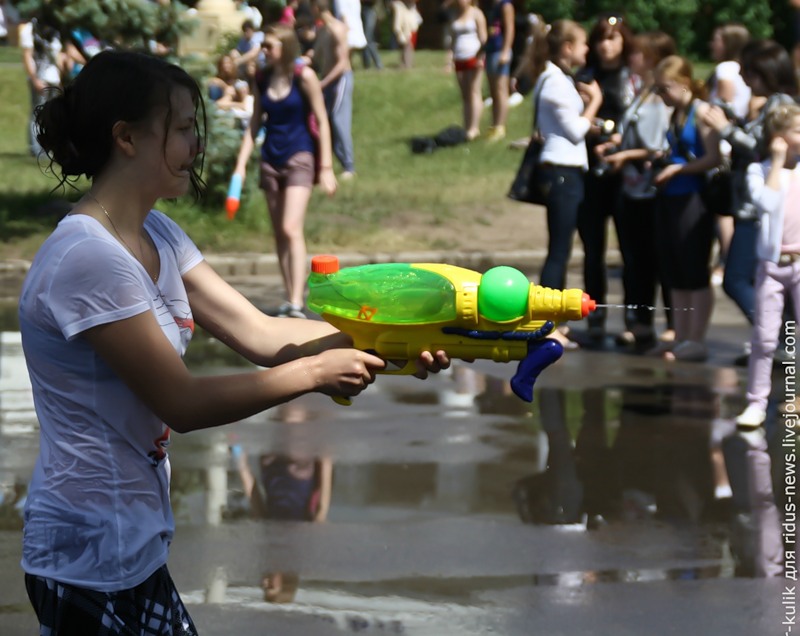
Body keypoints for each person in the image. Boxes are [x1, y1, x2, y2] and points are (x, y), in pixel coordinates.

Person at [19, 49, 450, 634]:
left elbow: (262, 332)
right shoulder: (88, 259)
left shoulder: (158, 233)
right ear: (126, 138)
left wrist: (398, 341)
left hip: (133, 542)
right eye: (180, 130)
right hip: (86, 553)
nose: (196, 145)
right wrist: (316, 375)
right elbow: (183, 402)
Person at [703, 39, 798, 365]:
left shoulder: (780, 103)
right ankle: (775, 342)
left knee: (736, 279)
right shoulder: (769, 102)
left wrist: (725, 128)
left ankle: (777, 341)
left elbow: (761, 148)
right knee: (758, 282)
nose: (744, 77)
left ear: (764, 72)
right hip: (749, 202)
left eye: (749, 71)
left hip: (758, 206)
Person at [234, 26, 337, 318]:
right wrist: (241, 165)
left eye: (269, 45)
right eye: (263, 45)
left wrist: (326, 167)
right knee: (280, 232)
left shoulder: (304, 76)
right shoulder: (263, 78)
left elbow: (322, 120)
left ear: (287, 46)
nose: (263, 49)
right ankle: (289, 295)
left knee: (292, 228)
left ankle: (295, 301)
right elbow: (254, 123)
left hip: (299, 157)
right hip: (271, 159)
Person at [514, 19, 602, 348]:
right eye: (582, 44)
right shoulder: (553, 80)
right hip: (562, 172)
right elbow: (575, 131)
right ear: (567, 48)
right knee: (559, 251)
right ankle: (546, 324)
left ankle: (556, 324)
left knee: (562, 250)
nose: (587, 49)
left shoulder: (560, 79)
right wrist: (594, 101)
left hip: (568, 170)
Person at [600, 31, 676, 349]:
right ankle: (639, 323)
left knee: (658, 259)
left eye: (639, 54)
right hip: (631, 189)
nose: (632, 58)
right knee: (634, 261)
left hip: (652, 191)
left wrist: (625, 154)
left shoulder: (660, 98)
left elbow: (658, 147)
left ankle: (673, 324)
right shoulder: (642, 92)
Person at [650, 55, 722, 361]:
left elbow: (713, 157)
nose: (661, 96)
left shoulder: (702, 112)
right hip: (672, 197)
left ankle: (696, 338)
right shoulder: (677, 113)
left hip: (694, 197)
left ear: (683, 84)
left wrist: (678, 170)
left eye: (665, 89)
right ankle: (680, 335)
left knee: (693, 268)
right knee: (674, 268)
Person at [736, 103, 800, 428]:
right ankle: (756, 402)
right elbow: (768, 203)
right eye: (797, 131)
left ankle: (797, 398)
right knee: (764, 338)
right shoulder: (759, 170)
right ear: (779, 137)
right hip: (772, 265)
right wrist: (776, 162)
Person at [575, 13, 637, 344]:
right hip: (590, 172)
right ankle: (594, 313)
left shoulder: (634, 79)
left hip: (625, 173)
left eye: (612, 38)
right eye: (600, 38)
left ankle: (633, 316)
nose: (605, 45)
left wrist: (616, 137)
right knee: (592, 247)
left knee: (631, 248)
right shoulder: (585, 77)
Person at [706, 23, 752, 289]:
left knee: (723, 212)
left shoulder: (725, 70)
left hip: (724, 142)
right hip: (735, 140)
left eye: (716, 39)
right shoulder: (742, 69)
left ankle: (726, 261)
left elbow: (725, 106)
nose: (712, 45)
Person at [312, 0, 357, 178]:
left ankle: (349, 167)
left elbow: (342, 64)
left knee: (339, 121)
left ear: (316, 8)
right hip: (327, 81)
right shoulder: (322, 30)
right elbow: (315, 57)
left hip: (340, 81)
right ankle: (325, 165)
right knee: (324, 122)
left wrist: (322, 84)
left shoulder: (337, 29)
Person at [20, 14, 64, 157]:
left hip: (54, 78)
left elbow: (58, 57)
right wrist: (34, 79)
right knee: (37, 113)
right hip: (39, 77)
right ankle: (36, 149)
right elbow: (27, 55)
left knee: (51, 115)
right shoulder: (30, 29)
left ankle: (49, 148)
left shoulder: (56, 29)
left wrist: (61, 78)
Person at [449, 0, 487, 141]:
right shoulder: (455, 14)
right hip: (459, 57)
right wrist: (450, 59)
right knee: (465, 94)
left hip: (474, 57)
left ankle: (474, 127)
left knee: (474, 91)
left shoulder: (477, 14)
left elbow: (483, 38)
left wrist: (481, 58)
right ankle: (466, 127)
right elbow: (452, 39)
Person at [481, 0, 513, 141]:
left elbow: (510, 28)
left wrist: (505, 51)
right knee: (493, 91)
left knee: (501, 90)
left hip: (501, 51)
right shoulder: (490, 6)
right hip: (491, 51)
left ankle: (500, 126)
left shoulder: (505, 5)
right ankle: (494, 125)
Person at [392, 0, 422, 69]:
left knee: (408, 46)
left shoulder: (412, 8)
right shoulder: (399, 7)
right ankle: (406, 64)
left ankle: (405, 64)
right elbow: (398, 22)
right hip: (404, 29)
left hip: (410, 29)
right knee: (406, 46)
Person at [360, 0, 384, 70]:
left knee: (368, 38)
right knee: (363, 38)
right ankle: (366, 64)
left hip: (370, 10)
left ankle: (378, 63)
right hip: (361, 9)